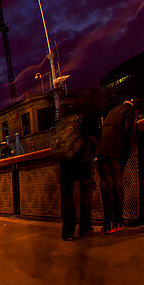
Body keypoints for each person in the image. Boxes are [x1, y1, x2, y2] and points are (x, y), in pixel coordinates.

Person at [56, 88, 102, 241]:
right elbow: (92, 138)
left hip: (65, 159)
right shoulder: (90, 114)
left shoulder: (67, 116)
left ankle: (67, 232)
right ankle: (85, 227)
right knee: (85, 194)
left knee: (68, 197)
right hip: (81, 159)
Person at [97, 99, 138, 233]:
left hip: (102, 151)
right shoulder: (130, 110)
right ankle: (118, 222)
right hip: (115, 151)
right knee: (117, 186)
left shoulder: (111, 111)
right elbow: (129, 129)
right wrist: (126, 150)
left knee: (106, 188)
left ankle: (107, 223)